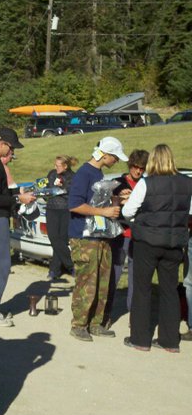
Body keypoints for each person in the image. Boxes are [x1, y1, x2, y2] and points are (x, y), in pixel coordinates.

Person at [121, 144, 192, 352]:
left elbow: (127, 211)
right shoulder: (187, 183)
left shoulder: (146, 183)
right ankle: (169, 341)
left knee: (142, 289)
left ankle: (140, 338)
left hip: (147, 241)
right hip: (174, 243)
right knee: (170, 290)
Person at [68, 137, 127, 342]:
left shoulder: (98, 173)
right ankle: (79, 325)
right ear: (105, 155)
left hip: (101, 235)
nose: (116, 161)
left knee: (103, 281)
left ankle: (96, 323)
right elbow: (74, 205)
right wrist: (104, 212)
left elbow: (96, 201)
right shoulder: (84, 174)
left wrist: (116, 200)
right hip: (84, 238)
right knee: (87, 282)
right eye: (115, 157)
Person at [0, 127, 36, 326]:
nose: (12, 153)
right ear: (2, 144)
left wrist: (17, 193)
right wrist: (18, 199)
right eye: (11, 149)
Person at [104, 149, 148, 323]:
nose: (138, 171)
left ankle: (134, 317)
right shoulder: (118, 182)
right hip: (121, 234)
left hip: (140, 235)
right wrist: (120, 199)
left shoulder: (147, 183)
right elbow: (108, 203)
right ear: (130, 165)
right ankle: (106, 314)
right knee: (114, 274)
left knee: (136, 277)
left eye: (142, 168)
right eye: (135, 167)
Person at [45, 155, 78, 279]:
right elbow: (47, 189)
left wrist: (60, 189)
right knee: (53, 238)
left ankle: (55, 270)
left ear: (65, 166)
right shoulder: (52, 174)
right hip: (51, 208)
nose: (55, 167)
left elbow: (71, 193)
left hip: (65, 210)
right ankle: (71, 265)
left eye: (58, 165)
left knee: (62, 239)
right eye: (55, 165)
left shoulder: (72, 177)